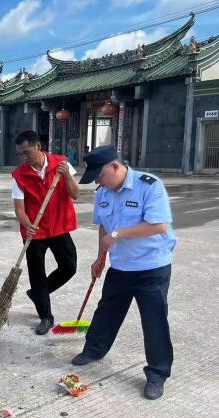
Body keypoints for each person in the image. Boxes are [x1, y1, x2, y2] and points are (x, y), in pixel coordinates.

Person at [73, 145, 177, 400]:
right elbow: (103, 228)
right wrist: (100, 257)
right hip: (120, 266)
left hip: (151, 266)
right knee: (107, 310)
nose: (99, 182)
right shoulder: (103, 192)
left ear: (115, 167)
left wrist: (118, 234)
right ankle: (94, 349)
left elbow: (158, 226)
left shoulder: (150, 186)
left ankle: (157, 373)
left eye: (100, 176)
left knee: (154, 320)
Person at [12, 130, 80, 335]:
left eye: (27, 152)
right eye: (20, 154)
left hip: (59, 226)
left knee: (69, 267)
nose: (24, 157)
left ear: (38, 146)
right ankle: (45, 316)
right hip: (35, 232)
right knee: (37, 274)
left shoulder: (61, 164)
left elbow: (75, 194)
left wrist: (66, 175)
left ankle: (38, 294)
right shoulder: (19, 175)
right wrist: (28, 225)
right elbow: (19, 209)